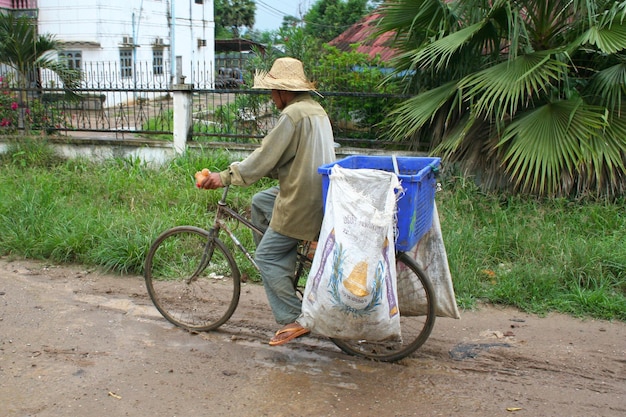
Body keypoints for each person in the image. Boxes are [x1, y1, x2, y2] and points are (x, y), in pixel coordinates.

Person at [197, 57, 336, 346]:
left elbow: (263, 158)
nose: (272, 98)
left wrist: (223, 177)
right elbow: (284, 158)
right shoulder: (314, 109)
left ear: (285, 91)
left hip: (302, 200)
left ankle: (296, 318)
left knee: (265, 257)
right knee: (261, 201)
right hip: (318, 191)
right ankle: (281, 270)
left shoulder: (292, 115)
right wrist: (248, 170)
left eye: (273, 92)